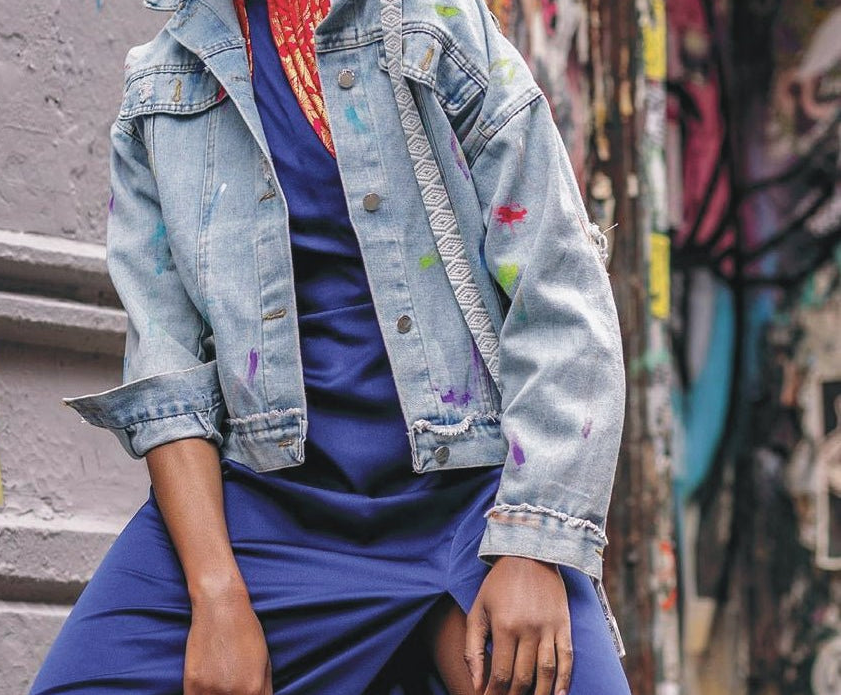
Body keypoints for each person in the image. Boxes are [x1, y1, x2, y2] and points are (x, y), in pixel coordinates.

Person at [32, 0, 631, 692]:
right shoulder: (163, 89)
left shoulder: (431, 22)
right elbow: (168, 376)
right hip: (273, 505)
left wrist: (532, 543)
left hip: (471, 497)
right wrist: (217, 591)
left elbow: (558, 287)